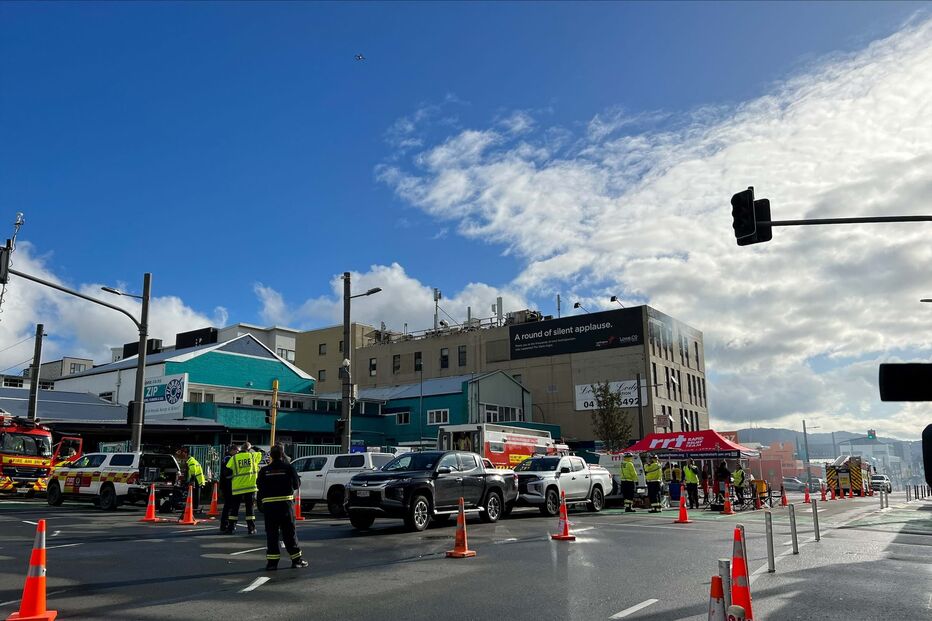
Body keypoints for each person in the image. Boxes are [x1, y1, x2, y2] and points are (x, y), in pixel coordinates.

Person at [257, 445, 308, 570]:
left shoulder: (264, 471)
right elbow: (296, 485)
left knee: (272, 534)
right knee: (289, 533)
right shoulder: (289, 468)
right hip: (285, 506)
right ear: (282, 455)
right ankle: (296, 560)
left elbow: (259, 486)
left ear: (271, 456)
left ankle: (272, 563)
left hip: (270, 507)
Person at [225, 441, 260, 535]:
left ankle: (231, 528)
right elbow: (261, 453)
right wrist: (254, 448)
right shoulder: (253, 456)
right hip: (250, 487)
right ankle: (251, 528)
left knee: (234, 508)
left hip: (237, 487)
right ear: (248, 449)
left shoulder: (234, 458)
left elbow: (228, 469)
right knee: (250, 509)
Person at [177, 448, 206, 514]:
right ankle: (194, 508)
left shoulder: (191, 461)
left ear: (186, 454)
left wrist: (191, 481)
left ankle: (194, 509)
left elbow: (193, 472)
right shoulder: (191, 460)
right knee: (194, 494)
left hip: (196, 480)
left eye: (183, 454)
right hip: (197, 479)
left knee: (195, 495)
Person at [219, 444, 240, 533]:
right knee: (228, 506)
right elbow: (228, 473)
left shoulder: (226, 458)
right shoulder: (228, 458)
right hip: (228, 485)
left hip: (226, 485)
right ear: (233, 450)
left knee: (228, 505)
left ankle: (225, 524)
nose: (238, 453)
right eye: (237, 451)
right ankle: (225, 524)